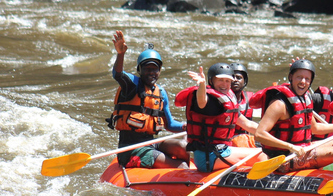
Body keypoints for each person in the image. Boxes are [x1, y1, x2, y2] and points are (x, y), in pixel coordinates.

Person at [109, 30, 187, 169]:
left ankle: (186, 178)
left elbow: (169, 125)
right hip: (131, 149)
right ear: (139, 70)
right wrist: (120, 54)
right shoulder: (132, 85)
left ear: (160, 71)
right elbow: (118, 74)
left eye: (155, 69)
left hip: (151, 143)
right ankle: (182, 174)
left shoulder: (161, 93)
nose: (151, 72)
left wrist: (185, 126)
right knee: (180, 166)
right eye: (147, 68)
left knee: (183, 147)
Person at [253, 59, 333, 172]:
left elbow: (315, 128)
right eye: (299, 77)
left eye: (307, 79)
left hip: (301, 150)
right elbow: (259, 134)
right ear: (291, 77)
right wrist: (290, 146)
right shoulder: (279, 105)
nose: (303, 81)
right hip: (285, 159)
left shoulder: (305, 99)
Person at [175, 63, 258, 172]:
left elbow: (248, 125)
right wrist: (202, 85)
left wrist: (273, 134)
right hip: (208, 157)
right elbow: (202, 101)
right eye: (220, 80)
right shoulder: (208, 101)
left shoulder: (227, 101)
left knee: (263, 150)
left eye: (227, 81)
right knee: (261, 155)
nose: (224, 84)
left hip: (220, 151)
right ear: (211, 81)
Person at [230, 62, 258, 148]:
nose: (235, 80)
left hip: (244, 141)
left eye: (239, 78)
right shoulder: (221, 101)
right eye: (232, 77)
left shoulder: (252, 99)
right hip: (225, 143)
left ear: (245, 82)